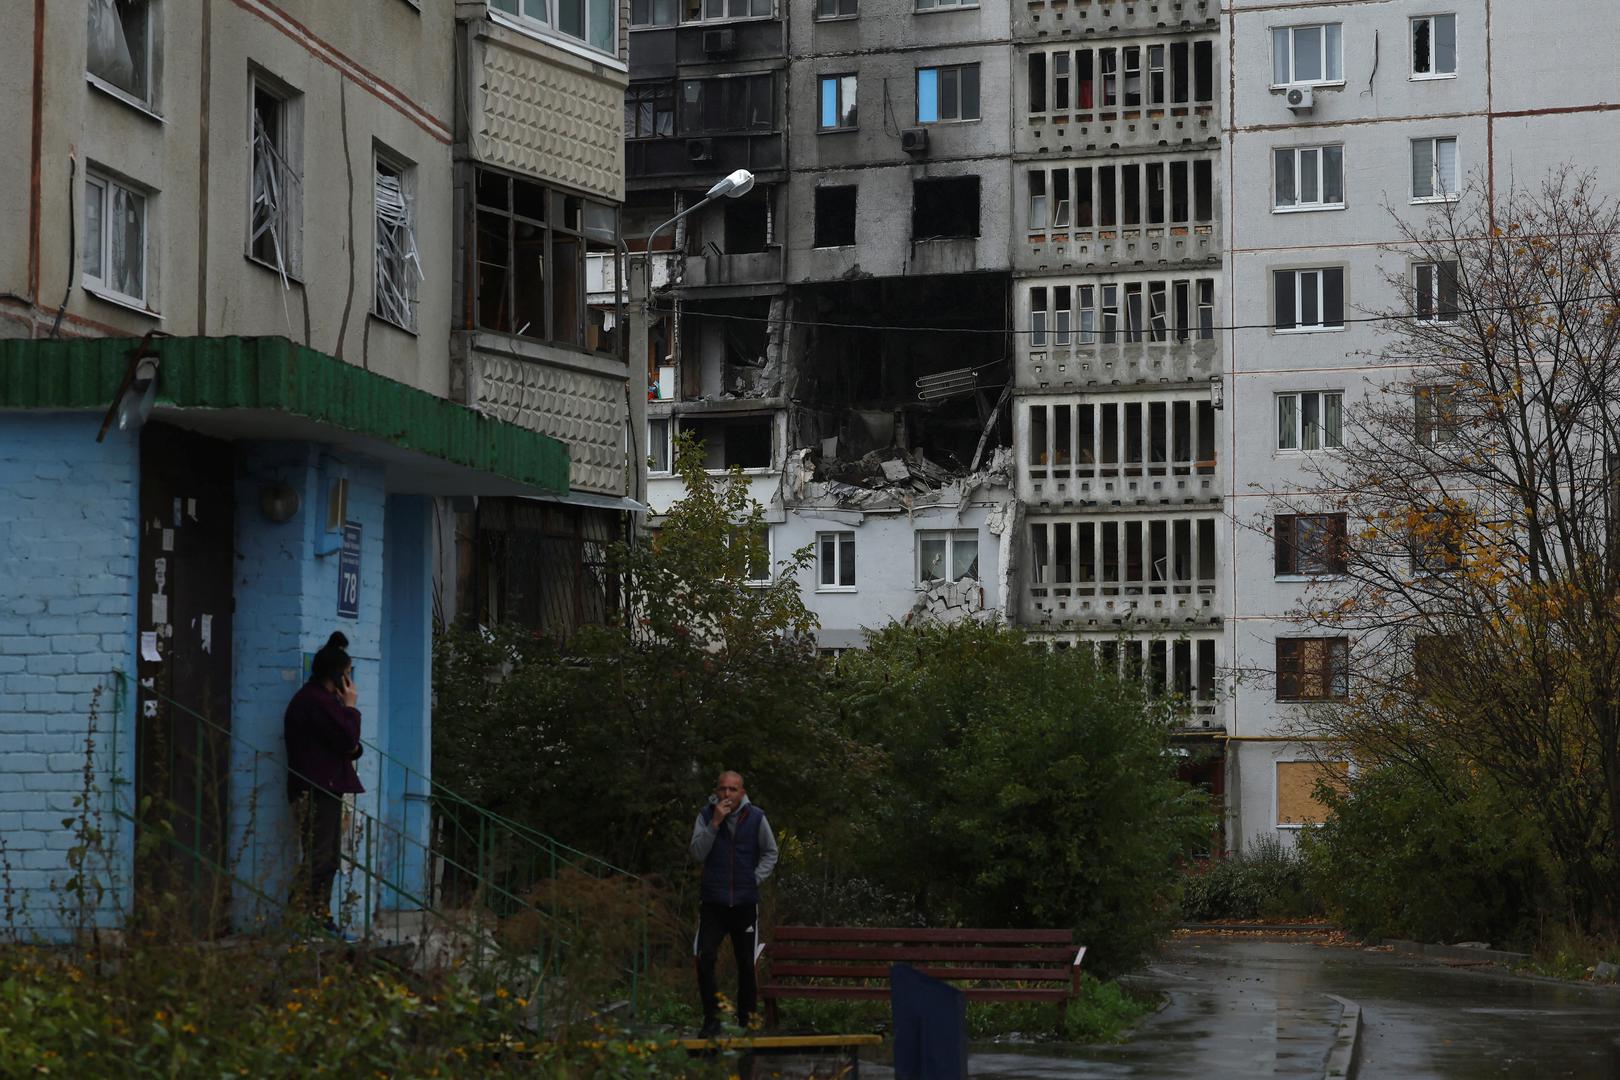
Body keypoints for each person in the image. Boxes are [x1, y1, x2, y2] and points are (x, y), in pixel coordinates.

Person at [283, 631, 364, 933]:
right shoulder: (315, 702)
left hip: (324, 785)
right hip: (315, 788)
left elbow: (349, 745)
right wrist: (352, 707)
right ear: (337, 676)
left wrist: (350, 738)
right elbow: (348, 737)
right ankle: (297, 918)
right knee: (319, 856)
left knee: (329, 857)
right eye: (346, 674)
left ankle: (319, 916)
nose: (349, 681)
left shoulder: (321, 702)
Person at [689, 770, 778, 1038]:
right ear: (716, 790)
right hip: (713, 903)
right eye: (723, 789)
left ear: (742, 792)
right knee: (704, 958)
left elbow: (771, 852)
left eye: (733, 789)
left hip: (744, 903)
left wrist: (754, 879)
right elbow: (697, 853)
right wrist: (715, 823)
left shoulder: (757, 817)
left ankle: (746, 1021)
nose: (727, 794)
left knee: (745, 964)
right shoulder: (706, 815)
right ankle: (712, 1020)